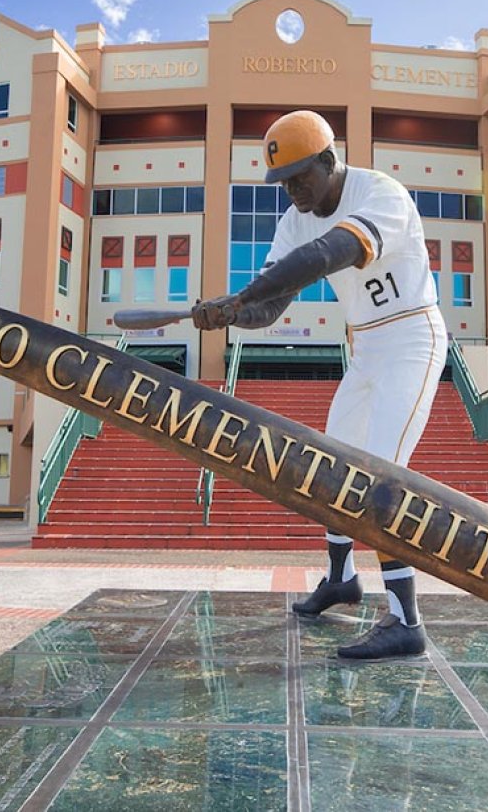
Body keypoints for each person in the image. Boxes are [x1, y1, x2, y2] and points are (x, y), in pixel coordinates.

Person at [192, 110, 447, 660]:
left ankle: (406, 622)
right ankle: (340, 580)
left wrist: (243, 295)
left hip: (412, 339)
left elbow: (329, 254)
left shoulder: (380, 193)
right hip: (365, 349)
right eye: (284, 181)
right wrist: (233, 314)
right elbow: (272, 308)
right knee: (329, 470)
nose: (293, 190)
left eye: (302, 175)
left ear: (331, 162)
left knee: (381, 481)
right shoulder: (293, 218)